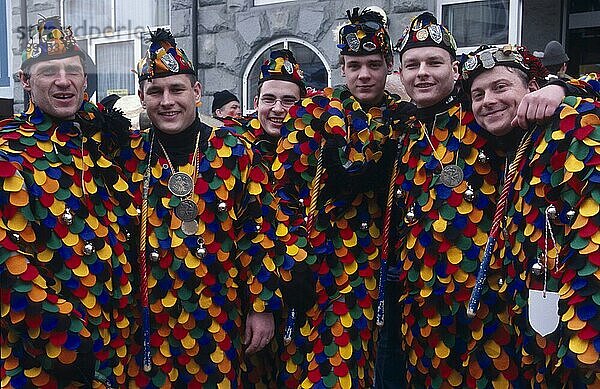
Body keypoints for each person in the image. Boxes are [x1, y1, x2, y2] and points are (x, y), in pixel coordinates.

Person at [390, 12, 579, 388]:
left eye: (434, 62)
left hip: (491, 313)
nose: (422, 72)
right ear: (400, 74)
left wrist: (559, 87)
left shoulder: (478, 113)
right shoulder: (400, 128)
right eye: (412, 64)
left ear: (454, 70)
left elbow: (570, 93)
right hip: (423, 314)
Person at [121, 28, 280, 388]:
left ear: (196, 92)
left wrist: (261, 305)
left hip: (218, 317)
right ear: (143, 98)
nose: (167, 101)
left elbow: (257, 233)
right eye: (155, 92)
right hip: (147, 325)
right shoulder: (127, 155)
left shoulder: (235, 152)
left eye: (177, 89)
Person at [273, 6, 413, 387]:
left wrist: (560, 86)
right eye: (354, 65)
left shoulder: (405, 117)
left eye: (373, 64)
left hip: (376, 270)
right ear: (342, 67)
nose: (364, 75)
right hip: (316, 262)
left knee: (354, 367)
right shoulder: (311, 113)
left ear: (389, 66)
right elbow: (282, 192)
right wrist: (294, 257)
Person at [0, 16, 135, 388]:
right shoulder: (8, 153)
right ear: (26, 81)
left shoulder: (95, 143)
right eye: (48, 72)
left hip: (113, 349)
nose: (63, 81)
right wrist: (64, 339)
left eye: (73, 71)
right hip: (44, 359)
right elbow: (7, 266)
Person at [462, 44, 600, 388]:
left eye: (500, 87)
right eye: (477, 94)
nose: (487, 100)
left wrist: (567, 88)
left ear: (534, 90)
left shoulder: (569, 123)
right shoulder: (506, 146)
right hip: (531, 332)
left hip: (581, 329)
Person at [222, 48, 309, 388]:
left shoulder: (316, 149)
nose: (277, 109)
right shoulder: (232, 150)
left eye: (288, 101)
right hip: (247, 303)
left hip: (304, 299)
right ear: (255, 101)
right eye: (269, 99)